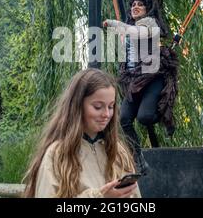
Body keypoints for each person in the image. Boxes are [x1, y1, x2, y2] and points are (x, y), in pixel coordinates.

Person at [22, 68, 141, 198]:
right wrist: (100, 197)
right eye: (98, 107)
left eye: (111, 106)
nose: (106, 114)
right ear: (77, 106)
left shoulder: (119, 152)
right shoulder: (56, 155)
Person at [103, 0, 179, 175]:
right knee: (124, 120)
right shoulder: (130, 27)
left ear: (147, 9)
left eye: (140, 5)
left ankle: (165, 116)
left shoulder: (150, 24)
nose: (135, 7)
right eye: (133, 4)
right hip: (134, 80)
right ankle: (138, 158)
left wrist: (112, 24)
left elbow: (134, 32)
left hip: (152, 78)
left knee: (145, 117)